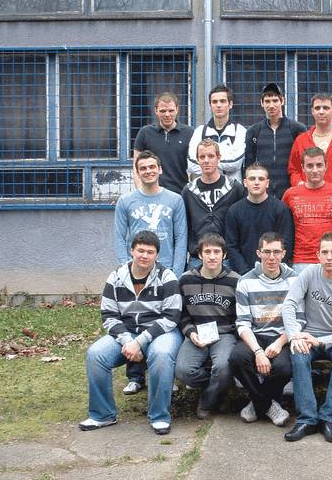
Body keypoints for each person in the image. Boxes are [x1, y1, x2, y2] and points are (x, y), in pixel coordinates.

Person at [79, 231, 183, 436]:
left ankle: (159, 416)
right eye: (140, 251)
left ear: (157, 255)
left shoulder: (167, 277)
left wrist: (140, 341)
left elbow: (171, 317)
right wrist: (128, 341)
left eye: (150, 252)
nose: (144, 256)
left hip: (162, 333)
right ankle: (103, 414)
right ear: (132, 251)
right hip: (126, 334)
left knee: (161, 355)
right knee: (95, 354)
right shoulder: (116, 277)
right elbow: (109, 315)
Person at [114, 150, 187, 395]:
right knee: (135, 318)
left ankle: (166, 373)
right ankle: (135, 375)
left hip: (166, 271)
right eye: (143, 168)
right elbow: (119, 237)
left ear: (160, 169)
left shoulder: (175, 200)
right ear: (137, 172)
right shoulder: (126, 201)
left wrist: (176, 272)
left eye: (152, 167)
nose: (148, 171)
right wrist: (126, 270)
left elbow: (181, 237)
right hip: (136, 271)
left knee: (166, 320)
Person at [281, 232, 332, 443]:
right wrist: (294, 335)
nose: (329, 257)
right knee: (298, 352)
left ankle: (329, 419)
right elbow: (289, 305)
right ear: (317, 255)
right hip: (308, 335)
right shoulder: (309, 273)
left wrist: (322, 341)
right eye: (324, 252)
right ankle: (307, 419)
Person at [229, 231, 299, 427]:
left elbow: (299, 320)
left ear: (283, 253)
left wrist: (279, 343)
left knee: (284, 368)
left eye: (276, 252)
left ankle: (257, 403)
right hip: (255, 335)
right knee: (237, 358)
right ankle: (268, 405)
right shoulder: (245, 281)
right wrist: (258, 352)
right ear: (258, 253)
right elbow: (243, 323)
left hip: (283, 336)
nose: (271, 257)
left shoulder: (295, 280)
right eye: (267, 252)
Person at [175, 233, 240, 419]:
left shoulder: (236, 281)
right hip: (197, 333)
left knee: (223, 367)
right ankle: (219, 386)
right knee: (183, 371)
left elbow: (241, 316)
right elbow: (181, 314)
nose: (212, 256)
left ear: (224, 255)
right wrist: (190, 333)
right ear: (200, 255)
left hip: (224, 334)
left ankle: (208, 400)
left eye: (216, 252)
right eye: (207, 252)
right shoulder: (186, 280)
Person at [282, 147, 332, 273]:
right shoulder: (290, 195)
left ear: (326, 166)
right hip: (301, 261)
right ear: (303, 167)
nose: (315, 170)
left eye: (319, 165)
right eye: (310, 166)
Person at [181, 139, 244, 268]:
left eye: (211, 156)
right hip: (197, 258)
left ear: (218, 158)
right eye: (202, 157)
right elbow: (184, 227)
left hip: (227, 258)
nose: (206, 160)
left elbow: (242, 223)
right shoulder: (189, 191)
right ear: (197, 160)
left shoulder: (234, 188)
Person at [225, 163, 295, 275]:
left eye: (261, 179)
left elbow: (286, 244)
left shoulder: (281, 209)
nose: (256, 182)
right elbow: (231, 246)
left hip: (275, 272)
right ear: (245, 182)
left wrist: (273, 271)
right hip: (243, 274)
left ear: (267, 183)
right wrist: (246, 273)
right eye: (252, 179)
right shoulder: (234, 211)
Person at [244, 83, 307, 199]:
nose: (271, 105)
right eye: (267, 101)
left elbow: (304, 162)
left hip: (291, 193)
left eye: (275, 100)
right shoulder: (254, 131)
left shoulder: (297, 129)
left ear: (282, 101)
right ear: (261, 103)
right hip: (263, 194)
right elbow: (249, 165)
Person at [287, 93, 332, 191]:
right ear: (312, 111)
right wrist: (301, 185)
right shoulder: (301, 140)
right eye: (317, 108)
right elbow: (294, 170)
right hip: (307, 196)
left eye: (326, 108)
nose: (321, 112)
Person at [132, 92, 194, 193]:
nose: (167, 115)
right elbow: (136, 165)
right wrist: (140, 192)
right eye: (163, 111)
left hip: (181, 193)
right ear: (156, 111)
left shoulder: (190, 133)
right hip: (152, 193)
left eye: (171, 111)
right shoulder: (145, 132)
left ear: (177, 109)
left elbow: (196, 166)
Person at [188, 84, 246, 182]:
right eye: (214, 102)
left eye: (222, 101)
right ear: (210, 105)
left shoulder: (240, 131)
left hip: (232, 189)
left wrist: (206, 162)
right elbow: (192, 164)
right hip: (205, 189)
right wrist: (224, 157)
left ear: (230, 104)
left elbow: (235, 163)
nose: (218, 105)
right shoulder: (200, 131)